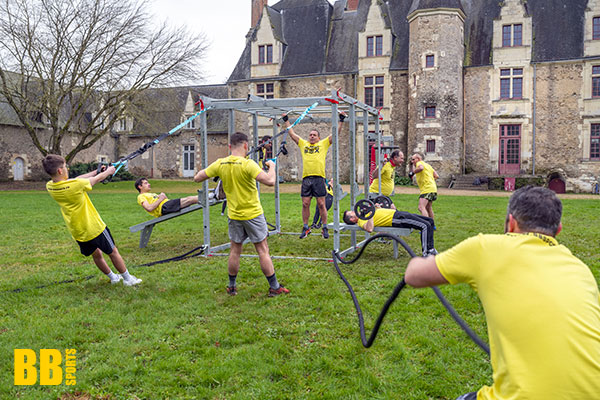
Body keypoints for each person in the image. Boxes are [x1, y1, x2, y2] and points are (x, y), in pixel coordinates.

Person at [405, 186, 600, 400]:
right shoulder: (581, 269)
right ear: (559, 229)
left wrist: (420, 261)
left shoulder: (486, 248)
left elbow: (414, 276)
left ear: (511, 222)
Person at [194, 132, 289, 297]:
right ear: (246, 146)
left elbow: (197, 177)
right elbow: (270, 181)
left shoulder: (220, 163)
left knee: (235, 250)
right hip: (253, 214)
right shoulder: (248, 164)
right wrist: (272, 167)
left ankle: (232, 286)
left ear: (230, 146)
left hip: (234, 215)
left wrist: (217, 171)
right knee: (262, 250)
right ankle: (274, 287)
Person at [42, 155, 142, 286]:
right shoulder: (76, 185)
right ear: (60, 171)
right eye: (65, 166)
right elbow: (93, 181)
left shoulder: (50, 186)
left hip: (78, 231)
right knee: (113, 251)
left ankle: (113, 278)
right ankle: (128, 279)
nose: (67, 168)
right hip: (94, 227)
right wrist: (108, 172)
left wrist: (97, 171)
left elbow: (76, 180)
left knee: (97, 255)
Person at [342, 202, 436, 256]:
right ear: (352, 219)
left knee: (429, 222)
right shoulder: (361, 221)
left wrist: (377, 207)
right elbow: (369, 229)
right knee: (424, 226)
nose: (354, 211)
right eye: (352, 212)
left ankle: (431, 249)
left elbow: (378, 211)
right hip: (396, 220)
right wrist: (370, 214)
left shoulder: (365, 214)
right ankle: (426, 253)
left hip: (397, 213)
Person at [408, 153, 439, 220]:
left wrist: (413, 172)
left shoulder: (419, 163)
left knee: (421, 207)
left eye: (413, 159)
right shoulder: (428, 165)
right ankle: (432, 225)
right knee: (428, 208)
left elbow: (421, 168)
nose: (412, 161)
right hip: (433, 188)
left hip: (427, 189)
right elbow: (436, 176)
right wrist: (430, 180)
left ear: (418, 159)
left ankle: (426, 225)